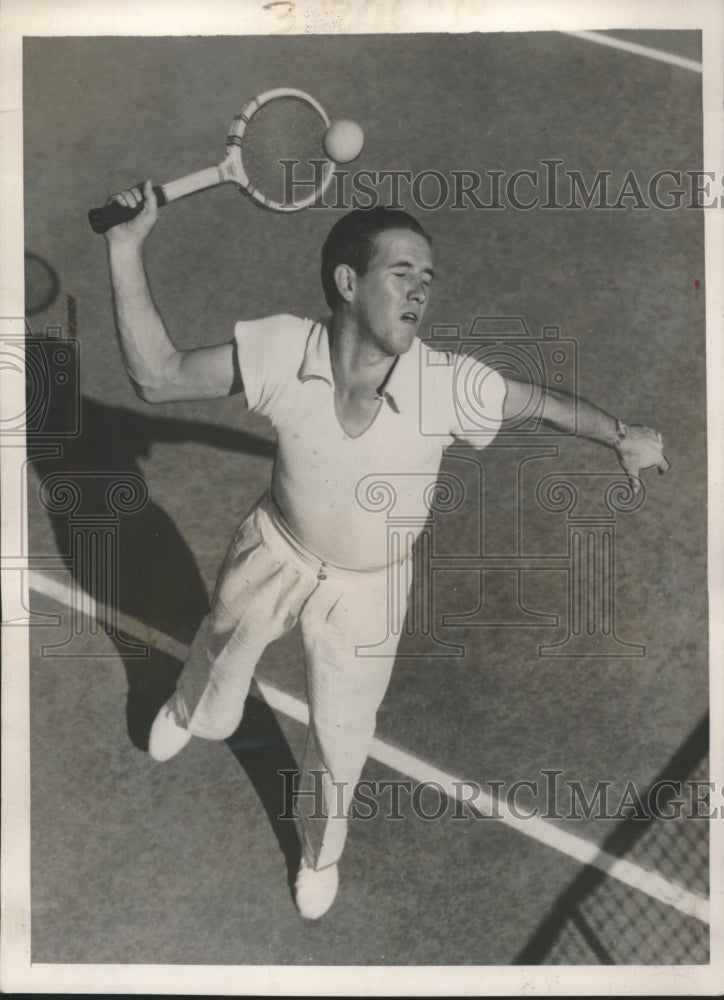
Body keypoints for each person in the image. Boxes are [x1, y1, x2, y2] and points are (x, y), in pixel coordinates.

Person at [105, 181, 669, 919]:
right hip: (275, 549)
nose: (420, 292)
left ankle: (319, 854)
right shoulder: (281, 348)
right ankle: (191, 709)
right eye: (402, 273)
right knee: (219, 648)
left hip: (368, 594)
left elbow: (543, 403)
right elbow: (158, 375)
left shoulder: (449, 384)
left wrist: (622, 435)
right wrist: (124, 246)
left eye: (427, 280)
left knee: (341, 740)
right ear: (348, 282)